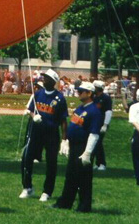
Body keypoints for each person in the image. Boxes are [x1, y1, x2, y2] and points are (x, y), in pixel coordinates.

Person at [19, 69, 68, 202]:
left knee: (51, 162)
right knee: (26, 158)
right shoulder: (38, 94)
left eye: (46, 78)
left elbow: (64, 120)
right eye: (44, 77)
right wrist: (34, 116)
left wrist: (64, 139)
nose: (43, 80)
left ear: (53, 81)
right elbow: (30, 110)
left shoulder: (60, 98)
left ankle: (47, 191)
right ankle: (27, 187)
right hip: (36, 132)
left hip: (51, 134)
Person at [54, 81, 102, 213]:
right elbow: (74, 125)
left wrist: (87, 152)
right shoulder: (80, 108)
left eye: (81, 91)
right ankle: (65, 202)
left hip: (84, 146)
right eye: (78, 91)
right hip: (74, 146)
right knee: (71, 175)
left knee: (84, 178)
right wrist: (67, 142)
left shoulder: (94, 111)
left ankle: (84, 206)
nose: (78, 93)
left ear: (89, 93)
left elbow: (94, 134)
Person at [92, 80, 112, 170]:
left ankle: (102, 163)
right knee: (95, 143)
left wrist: (105, 124)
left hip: (101, 123)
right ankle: (98, 162)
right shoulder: (94, 97)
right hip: (95, 122)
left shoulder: (106, 98)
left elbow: (108, 112)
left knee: (98, 143)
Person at [128, 89, 139, 185]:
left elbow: (133, 121)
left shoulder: (134, 107)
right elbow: (133, 121)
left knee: (136, 156)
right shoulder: (134, 107)